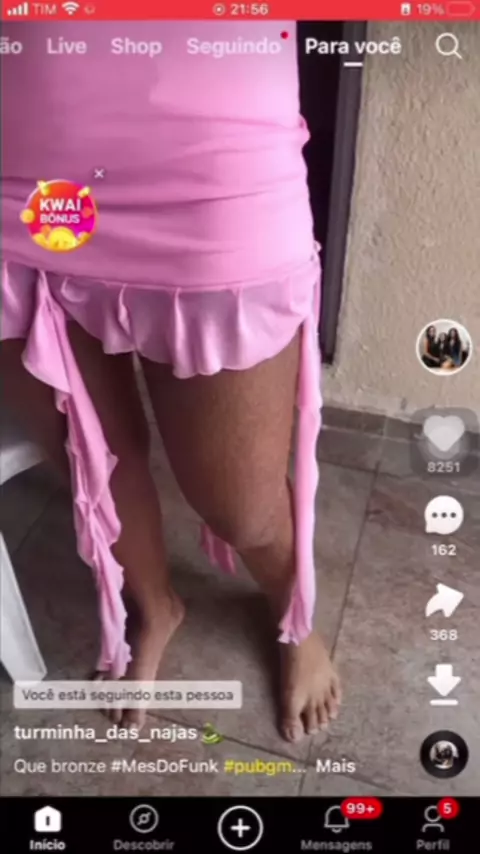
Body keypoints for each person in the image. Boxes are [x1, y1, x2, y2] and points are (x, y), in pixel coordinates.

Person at [0, 21, 340, 741]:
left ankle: (294, 614)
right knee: (93, 459)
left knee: (241, 505)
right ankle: (156, 605)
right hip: (17, 170)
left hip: (213, 157)